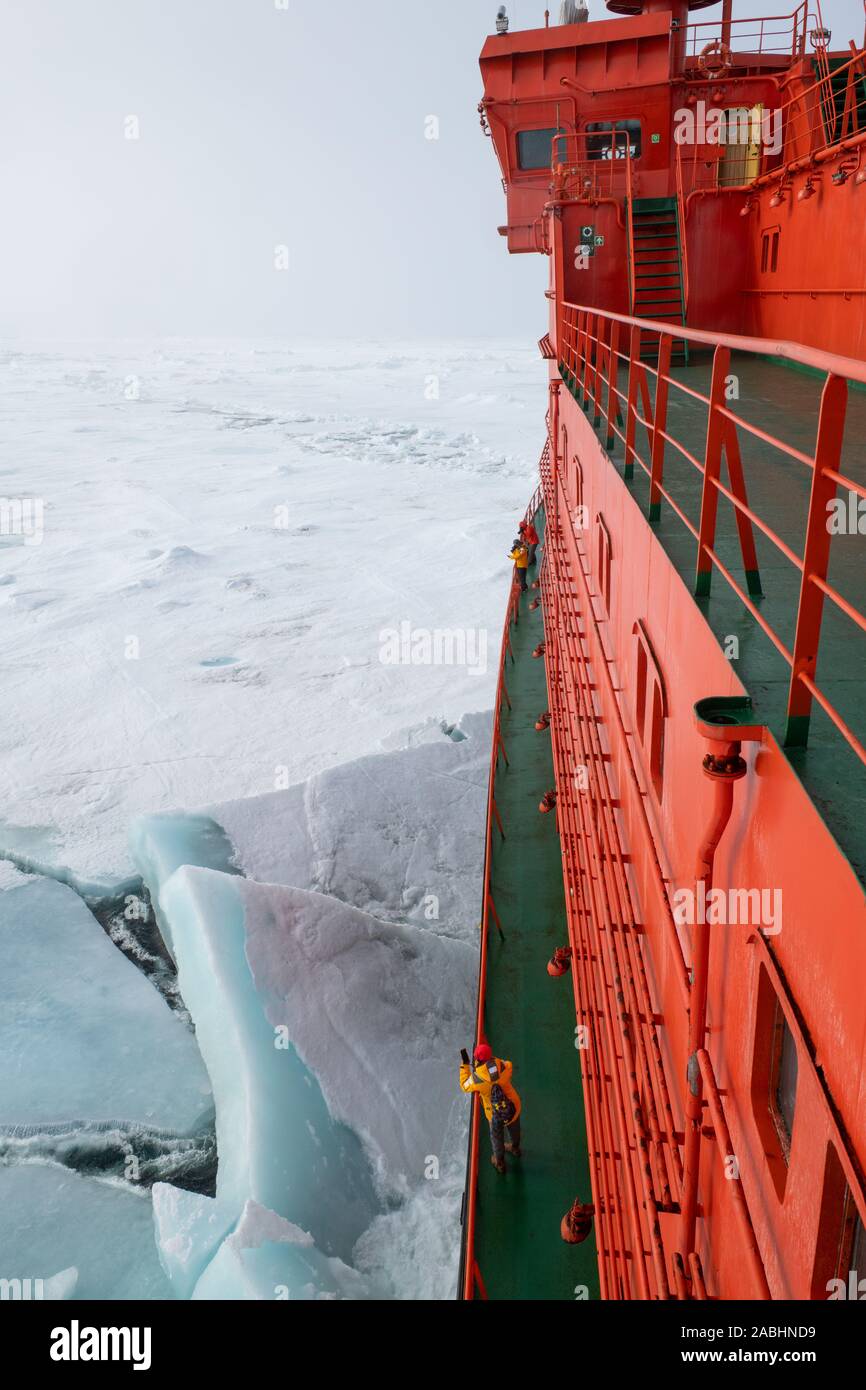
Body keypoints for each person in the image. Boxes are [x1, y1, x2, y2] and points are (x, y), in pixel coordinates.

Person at [460, 1044, 522, 1174]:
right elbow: (509, 1065)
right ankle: (515, 1148)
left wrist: (465, 1065)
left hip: (495, 1115)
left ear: (477, 1059)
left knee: (497, 1138)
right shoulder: (502, 1066)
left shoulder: (476, 1080)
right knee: (515, 1128)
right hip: (513, 1107)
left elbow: (464, 1086)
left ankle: (499, 1162)